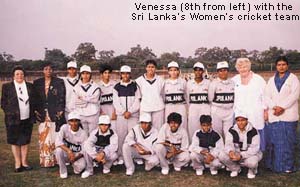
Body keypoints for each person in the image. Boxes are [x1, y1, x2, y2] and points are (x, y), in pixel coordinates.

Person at [264, 56, 300, 173]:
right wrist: (274, 107)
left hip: (288, 115)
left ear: (287, 66)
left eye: (284, 64)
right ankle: (275, 166)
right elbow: (266, 96)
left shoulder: (293, 79)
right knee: (274, 141)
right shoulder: (270, 80)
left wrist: (282, 107)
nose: (281, 67)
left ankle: (287, 167)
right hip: (274, 114)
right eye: (279, 65)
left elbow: (294, 95)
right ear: (276, 66)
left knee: (288, 142)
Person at [1, 66, 35, 172]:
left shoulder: (30, 86)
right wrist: (10, 113)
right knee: (15, 141)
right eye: (17, 74)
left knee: (25, 140)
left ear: (24, 75)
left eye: (21, 74)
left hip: (27, 118)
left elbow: (34, 101)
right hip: (13, 119)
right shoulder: (7, 86)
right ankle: (17, 163)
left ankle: (24, 163)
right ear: (13, 76)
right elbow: (3, 103)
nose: (19, 76)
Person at [33, 62, 66, 167]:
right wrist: (35, 110)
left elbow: (61, 97)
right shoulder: (37, 82)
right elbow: (35, 99)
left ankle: (56, 160)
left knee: (54, 136)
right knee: (43, 137)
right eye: (46, 69)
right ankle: (45, 161)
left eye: (50, 69)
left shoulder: (58, 82)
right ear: (43, 70)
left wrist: (60, 109)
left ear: (53, 71)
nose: (48, 71)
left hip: (54, 113)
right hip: (42, 113)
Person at [232, 58, 267, 151]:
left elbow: (265, 96)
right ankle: (242, 156)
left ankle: (258, 157)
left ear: (249, 67)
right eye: (240, 67)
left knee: (255, 134)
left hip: (256, 113)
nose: (243, 69)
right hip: (240, 113)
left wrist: (265, 110)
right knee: (241, 134)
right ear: (237, 68)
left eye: (245, 67)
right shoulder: (234, 80)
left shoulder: (258, 79)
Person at [219, 112, 262, 179]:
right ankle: (235, 169)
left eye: (243, 120)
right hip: (236, 153)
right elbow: (228, 143)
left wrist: (241, 156)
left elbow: (254, 149)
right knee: (221, 155)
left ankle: (252, 171)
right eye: (238, 120)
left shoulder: (254, 131)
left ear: (247, 120)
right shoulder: (232, 130)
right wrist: (230, 152)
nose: (240, 122)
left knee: (252, 162)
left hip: (249, 155)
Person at [113, 65, 141, 165]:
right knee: (121, 136)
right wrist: (123, 112)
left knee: (134, 135)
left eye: (127, 73)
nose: (125, 75)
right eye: (123, 73)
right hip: (121, 116)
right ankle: (121, 156)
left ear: (130, 74)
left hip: (133, 115)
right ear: (121, 74)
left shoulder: (135, 86)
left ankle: (136, 156)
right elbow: (116, 102)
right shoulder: (117, 87)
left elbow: (137, 101)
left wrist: (130, 111)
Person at [55, 112, 88, 179]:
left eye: (76, 121)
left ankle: (74, 166)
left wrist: (75, 158)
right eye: (71, 121)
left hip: (76, 155)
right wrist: (69, 151)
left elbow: (84, 150)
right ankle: (63, 171)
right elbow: (58, 141)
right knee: (58, 150)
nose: (74, 123)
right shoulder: (64, 128)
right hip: (66, 153)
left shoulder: (83, 133)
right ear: (68, 122)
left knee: (80, 168)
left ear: (79, 122)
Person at [136, 59, 165, 130]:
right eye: (149, 67)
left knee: (158, 129)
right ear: (146, 68)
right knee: (144, 129)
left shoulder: (161, 80)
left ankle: (157, 141)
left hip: (158, 108)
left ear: (155, 68)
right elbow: (138, 96)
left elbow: (163, 95)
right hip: (145, 108)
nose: (150, 69)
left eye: (152, 67)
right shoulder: (139, 80)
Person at [208, 61, 234, 138]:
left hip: (229, 110)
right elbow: (210, 98)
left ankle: (228, 149)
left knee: (229, 133)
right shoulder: (213, 83)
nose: (223, 72)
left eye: (225, 70)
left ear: (228, 71)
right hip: (217, 110)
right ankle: (218, 149)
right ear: (217, 72)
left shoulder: (233, 83)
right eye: (220, 70)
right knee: (217, 132)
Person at [73, 65, 100, 134]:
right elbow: (77, 102)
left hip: (93, 114)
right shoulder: (76, 87)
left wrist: (83, 98)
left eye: (87, 73)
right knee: (84, 135)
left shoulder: (95, 86)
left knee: (93, 135)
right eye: (83, 73)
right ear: (81, 74)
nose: (85, 75)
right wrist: (89, 98)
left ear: (90, 74)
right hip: (81, 114)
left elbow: (95, 100)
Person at [187, 62, 211, 139]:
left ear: (203, 71)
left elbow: (210, 98)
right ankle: (193, 146)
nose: (198, 72)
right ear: (194, 71)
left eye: (200, 70)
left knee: (205, 126)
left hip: (205, 107)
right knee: (192, 128)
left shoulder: (208, 83)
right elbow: (187, 98)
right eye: (196, 70)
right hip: (193, 108)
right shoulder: (189, 83)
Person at [164, 61, 187, 130]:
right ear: (168, 72)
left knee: (182, 125)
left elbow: (186, 96)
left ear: (178, 71)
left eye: (175, 70)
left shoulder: (183, 82)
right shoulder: (165, 83)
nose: (173, 72)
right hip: (169, 107)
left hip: (180, 107)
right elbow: (163, 96)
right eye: (171, 70)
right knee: (169, 126)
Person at [98, 64, 117, 131]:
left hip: (112, 114)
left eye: (109, 73)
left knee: (113, 131)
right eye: (105, 73)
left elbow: (117, 100)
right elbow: (97, 101)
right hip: (103, 113)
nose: (107, 75)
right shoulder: (98, 86)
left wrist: (115, 112)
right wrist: (100, 112)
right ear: (102, 74)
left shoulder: (115, 84)